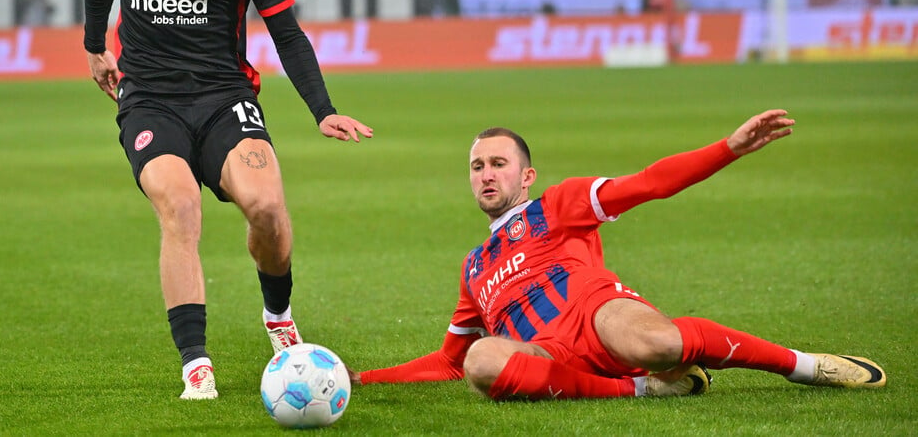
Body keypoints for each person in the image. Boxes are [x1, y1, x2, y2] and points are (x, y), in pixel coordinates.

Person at [83, 0, 373, 401]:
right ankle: (196, 363)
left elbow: (287, 33)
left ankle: (278, 313)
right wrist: (96, 45)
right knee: (180, 204)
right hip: (149, 100)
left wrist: (322, 109)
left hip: (225, 99)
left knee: (266, 205)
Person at [351, 110, 886, 400]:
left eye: (498, 163)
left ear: (525, 176)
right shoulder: (473, 267)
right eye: (476, 167)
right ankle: (640, 389)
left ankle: (807, 367)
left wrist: (728, 148)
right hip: (547, 355)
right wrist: (363, 380)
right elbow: (448, 361)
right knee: (481, 360)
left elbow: (650, 183)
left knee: (656, 341)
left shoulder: (558, 205)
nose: (487, 175)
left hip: (597, 315)